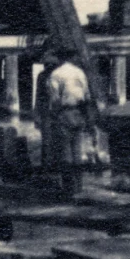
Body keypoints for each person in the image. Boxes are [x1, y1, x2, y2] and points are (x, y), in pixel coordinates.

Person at [39, 46, 92, 191]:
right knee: (77, 151)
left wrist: (53, 116)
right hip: (78, 113)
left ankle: (68, 187)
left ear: (59, 58)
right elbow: (87, 96)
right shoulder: (80, 73)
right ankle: (79, 185)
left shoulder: (56, 74)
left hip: (64, 113)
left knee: (65, 151)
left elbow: (54, 100)